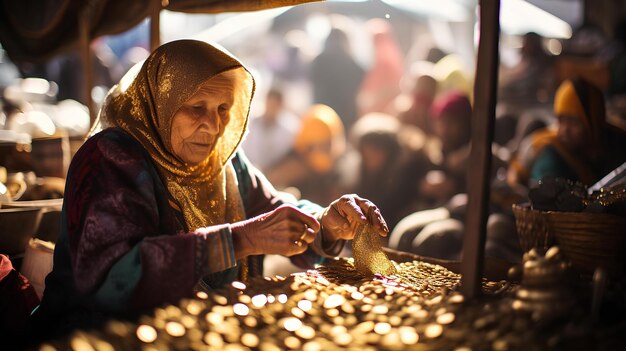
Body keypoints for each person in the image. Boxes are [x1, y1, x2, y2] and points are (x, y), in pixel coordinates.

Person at [30, 40, 388, 341]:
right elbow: (109, 279)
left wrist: (325, 223)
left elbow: (273, 210)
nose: (213, 126)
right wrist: (239, 241)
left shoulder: (222, 160)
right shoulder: (111, 158)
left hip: (199, 334)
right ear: (160, 103)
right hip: (95, 339)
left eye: (223, 109)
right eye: (196, 108)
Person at [509, 77, 625, 187]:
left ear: (594, 121)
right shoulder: (552, 154)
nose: (564, 129)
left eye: (573, 121)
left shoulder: (618, 143)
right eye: (561, 120)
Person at [265, 104, 347, 206]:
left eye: (325, 145)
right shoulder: (294, 164)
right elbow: (268, 182)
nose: (319, 151)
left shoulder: (345, 171)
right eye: (312, 146)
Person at [242, 88, 300, 172]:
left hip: (275, 175)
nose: (271, 108)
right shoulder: (250, 123)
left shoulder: (289, 131)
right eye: (270, 103)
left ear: (280, 106)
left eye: (275, 105)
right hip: (248, 170)